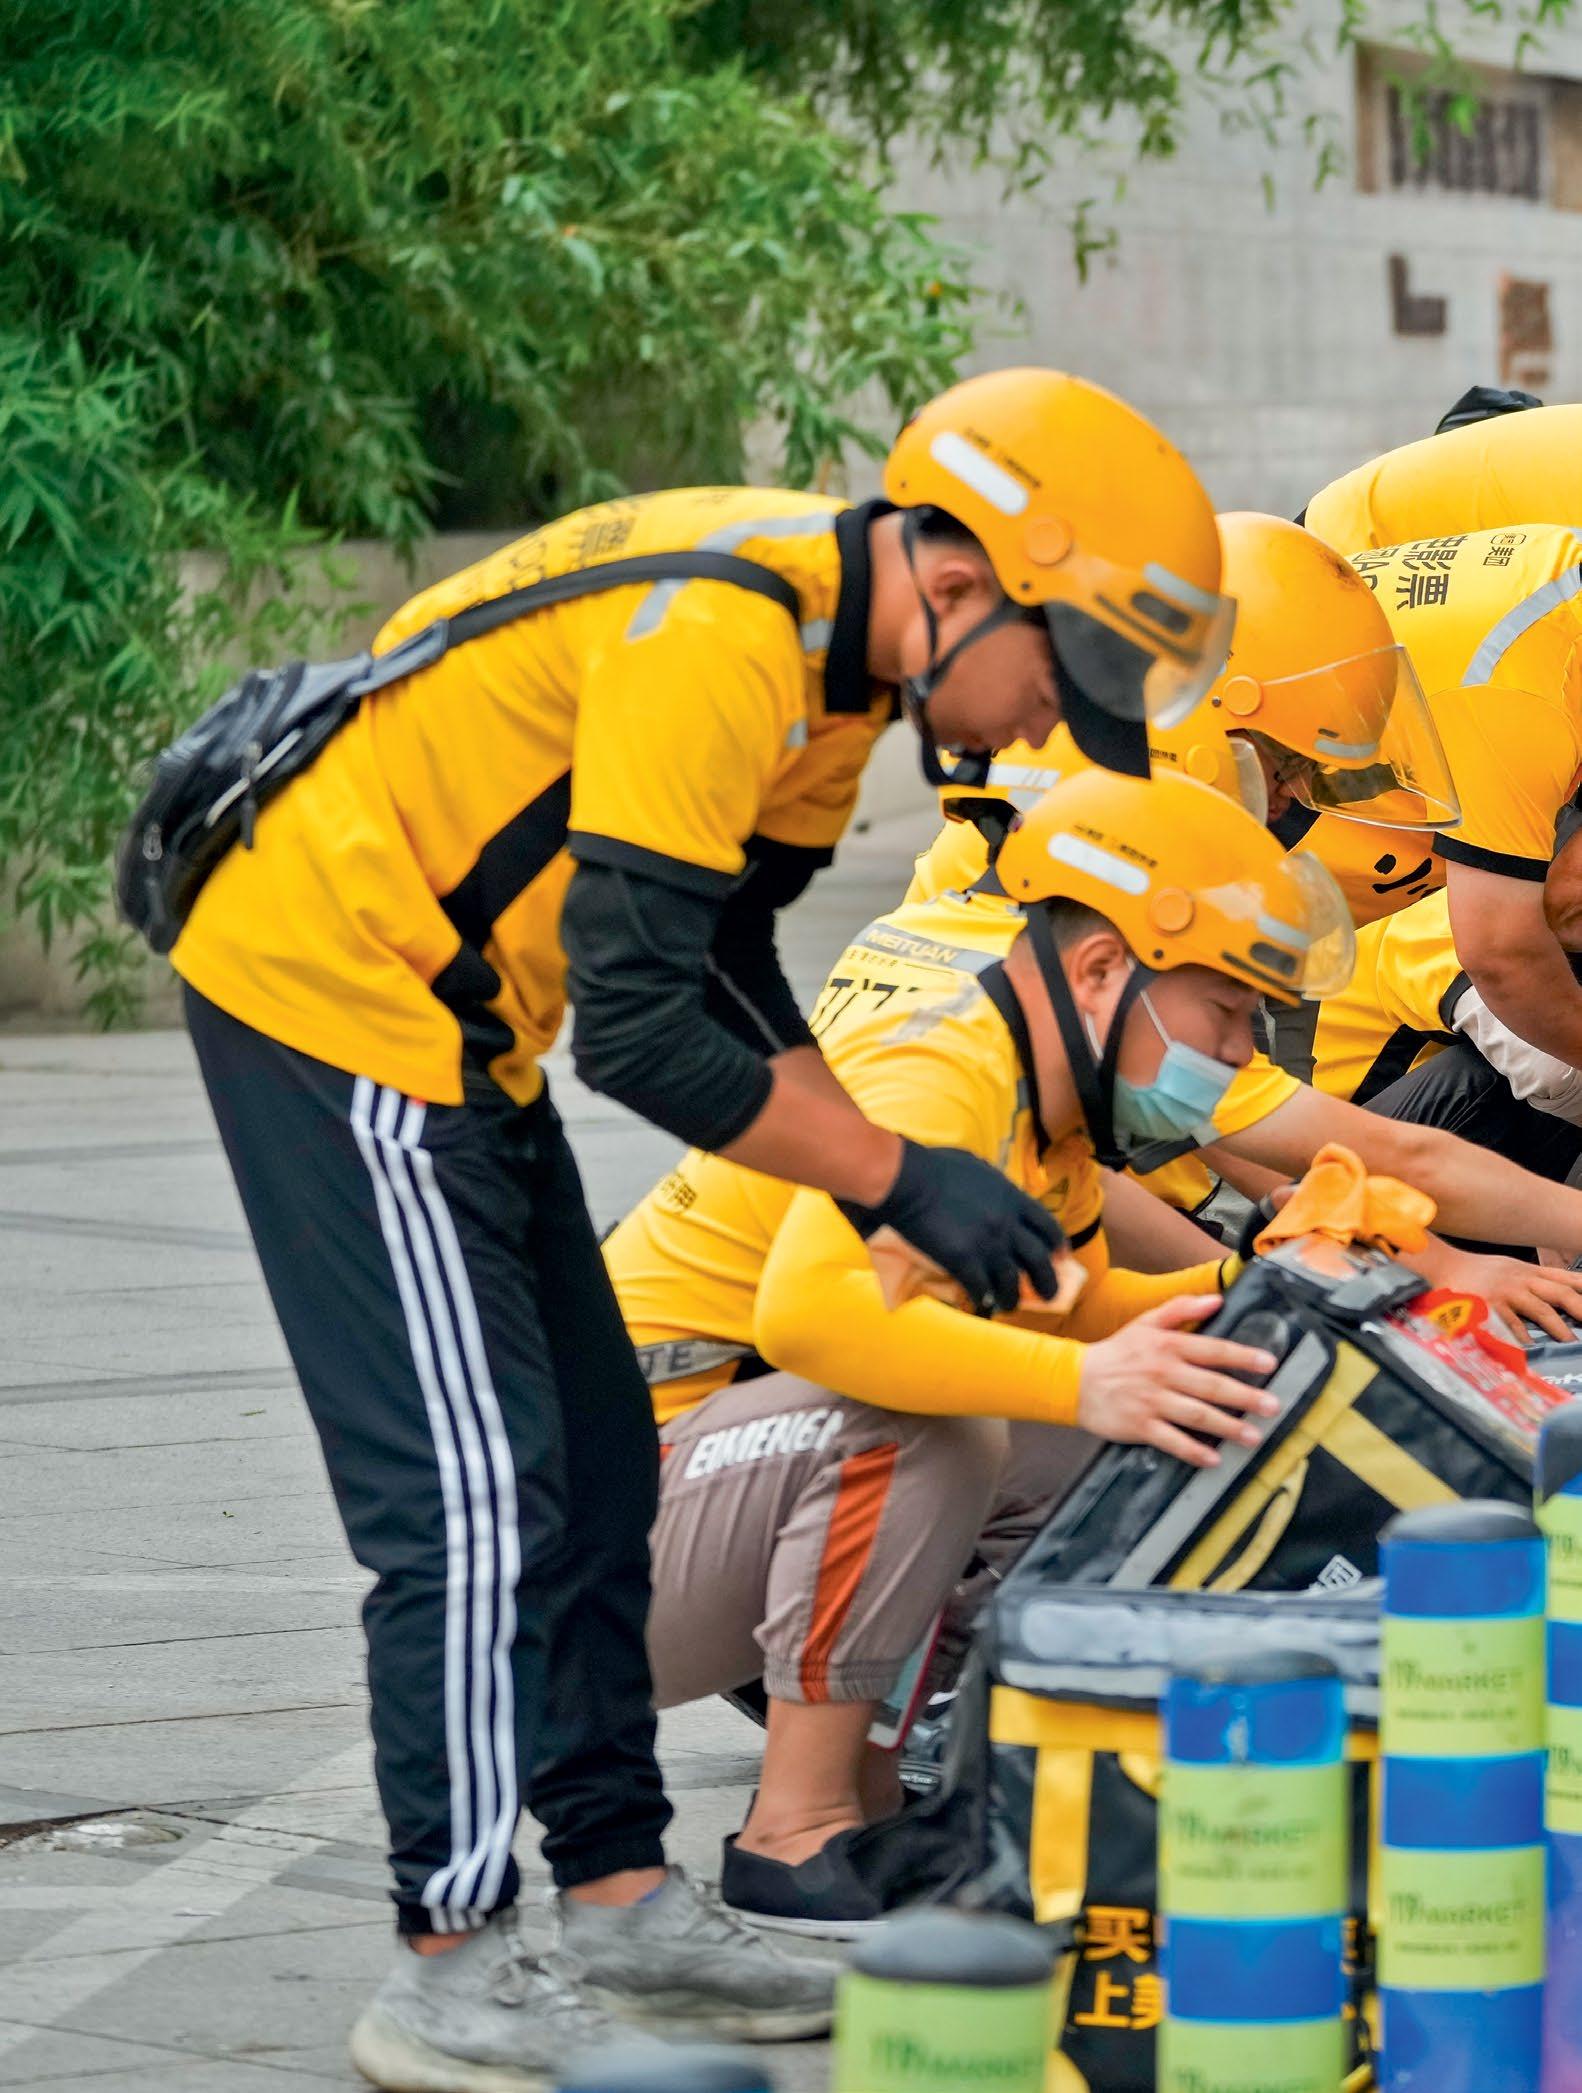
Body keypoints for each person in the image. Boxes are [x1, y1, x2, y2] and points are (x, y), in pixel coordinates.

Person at [166, 365, 1237, 2090]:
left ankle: (616, 1900)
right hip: (328, 991)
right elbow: (644, 1029)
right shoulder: (726, 628)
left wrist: (887, 1167)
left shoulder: (833, 682)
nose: (1049, 725)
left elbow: (734, 970)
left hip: (462, 1032)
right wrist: (894, 1175)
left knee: (598, 1465)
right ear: (960, 582)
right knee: (468, 1500)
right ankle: (449, 1957)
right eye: (1060, 676)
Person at [604, 769, 1354, 1936]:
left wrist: (1246, 1280)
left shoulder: (1043, 1109)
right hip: (583, 1555)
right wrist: (1085, 1380)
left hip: (695, 1501)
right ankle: (795, 1831)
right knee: (930, 1422)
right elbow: (814, 1317)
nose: (1237, 1047)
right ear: (1101, 969)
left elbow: (1074, 1305)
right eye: (1224, 1010)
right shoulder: (938, 1072)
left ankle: (877, 1786)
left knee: (1088, 1437)